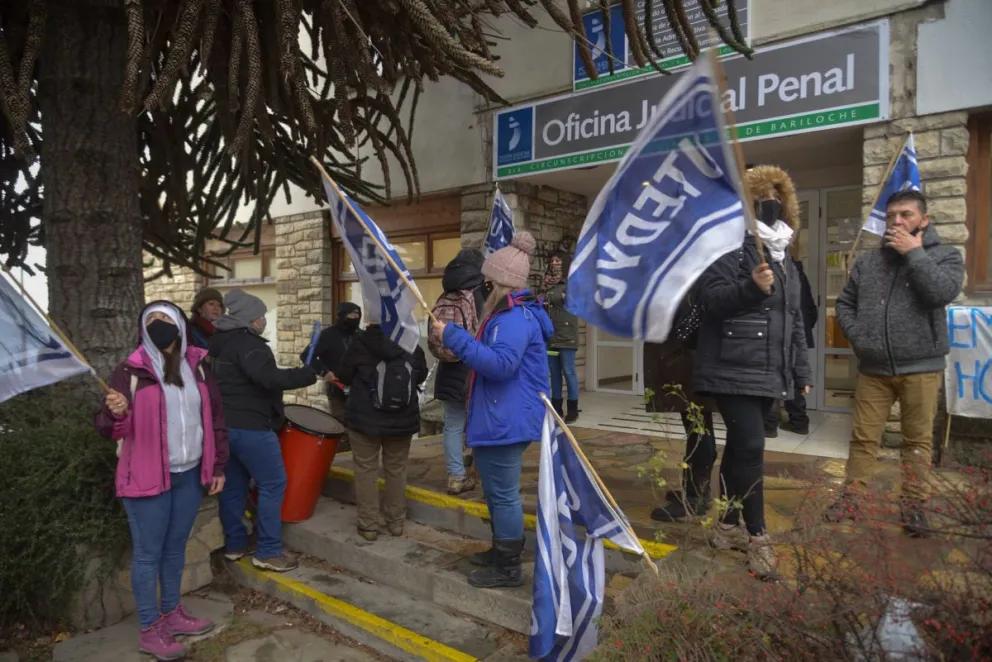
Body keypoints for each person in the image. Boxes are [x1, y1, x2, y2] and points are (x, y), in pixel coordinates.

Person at [693, 165, 812, 580]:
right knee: (751, 447)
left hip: (769, 371)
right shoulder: (726, 248)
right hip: (731, 367)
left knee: (740, 448)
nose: (770, 205)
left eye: (776, 198)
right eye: (760, 199)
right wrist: (750, 288)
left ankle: (726, 526)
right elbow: (710, 299)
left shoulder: (784, 257)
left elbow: (794, 320)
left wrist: (800, 370)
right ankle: (758, 536)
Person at [94, 301, 229, 662]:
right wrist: (115, 413)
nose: (158, 325)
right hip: (147, 477)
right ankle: (149, 628)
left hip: (189, 474)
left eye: (164, 319)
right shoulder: (130, 371)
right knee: (148, 554)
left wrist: (217, 466)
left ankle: (171, 613)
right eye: (150, 320)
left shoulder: (197, 367)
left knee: (174, 548)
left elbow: (215, 418)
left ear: (180, 325)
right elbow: (107, 428)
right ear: (142, 328)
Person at [825, 189, 964, 536]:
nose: (896, 222)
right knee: (863, 439)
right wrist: (859, 337)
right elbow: (845, 304)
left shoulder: (945, 255)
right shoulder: (870, 262)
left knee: (916, 442)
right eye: (891, 216)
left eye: (906, 215)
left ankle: (914, 507)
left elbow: (941, 293)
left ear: (924, 220)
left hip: (922, 368)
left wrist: (914, 254)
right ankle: (851, 499)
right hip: (874, 369)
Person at [433, 231, 553, 589]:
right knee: (497, 494)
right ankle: (501, 550)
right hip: (500, 415)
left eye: (486, 280)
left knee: (503, 495)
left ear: (499, 283)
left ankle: (508, 566)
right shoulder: (508, 315)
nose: (481, 287)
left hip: (506, 420)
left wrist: (454, 335)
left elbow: (501, 365)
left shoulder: (512, 319)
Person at [209, 288, 318, 572]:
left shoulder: (219, 341)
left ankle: (235, 545)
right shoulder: (250, 344)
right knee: (273, 484)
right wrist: (306, 374)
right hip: (252, 428)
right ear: (251, 319)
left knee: (233, 486)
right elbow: (269, 378)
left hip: (224, 427)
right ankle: (268, 551)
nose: (263, 320)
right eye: (261, 316)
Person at [337, 322, 428, 541]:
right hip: (402, 420)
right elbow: (421, 375)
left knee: (365, 470)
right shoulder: (412, 344)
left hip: (364, 419)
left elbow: (344, 374)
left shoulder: (360, 342)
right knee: (396, 469)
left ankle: (368, 525)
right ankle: (395, 523)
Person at [646, 293, 718, 522]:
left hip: (692, 364)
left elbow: (689, 325)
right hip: (689, 361)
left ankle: (695, 498)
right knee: (697, 428)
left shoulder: (698, 282)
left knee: (699, 430)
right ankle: (697, 491)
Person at [428, 248, 487, 495]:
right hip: (472, 367)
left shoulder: (445, 294)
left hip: (447, 370)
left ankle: (456, 476)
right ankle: (482, 475)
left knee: (452, 424)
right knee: (479, 422)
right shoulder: (478, 294)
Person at [764, 255, 818, 437]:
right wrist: (804, 328)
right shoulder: (798, 272)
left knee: (777, 376)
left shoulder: (779, 272)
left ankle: (770, 425)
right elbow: (811, 307)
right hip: (796, 333)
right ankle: (799, 422)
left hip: (783, 333)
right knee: (794, 378)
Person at [304, 301, 362, 451]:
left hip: (360, 388)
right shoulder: (328, 335)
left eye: (357, 314)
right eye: (351, 314)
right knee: (341, 424)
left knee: (360, 426)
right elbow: (307, 356)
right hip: (337, 388)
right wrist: (325, 372)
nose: (355, 317)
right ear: (342, 316)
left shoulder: (361, 335)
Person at [543, 250, 580, 423]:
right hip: (551, 336)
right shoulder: (547, 284)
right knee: (554, 373)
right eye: (552, 260)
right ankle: (556, 408)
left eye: (558, 261)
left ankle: (573, 409)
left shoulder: (572, 283)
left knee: (568, 371)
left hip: (567, 336)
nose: (554, 263)